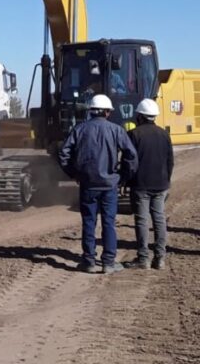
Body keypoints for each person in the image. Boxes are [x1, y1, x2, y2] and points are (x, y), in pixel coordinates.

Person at [58, 94, 138, 274]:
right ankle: (109, 262)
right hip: (109, 185)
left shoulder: (79, 130)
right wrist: (122, 177)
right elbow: (131, 156)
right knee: (109, 223)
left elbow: (63, 154)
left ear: (91, 112)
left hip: (88, 185)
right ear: (107, 112)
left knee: (89, 222)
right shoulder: (116, 130)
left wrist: (74, 173)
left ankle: (88, 262)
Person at [124, 98, 174, 270]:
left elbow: (129, 162)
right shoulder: (164, 134)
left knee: (142, 220)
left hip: (141, 185)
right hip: (160, 184)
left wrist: (126, 181)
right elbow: (170, 161)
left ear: (140, 116)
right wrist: (166, 181)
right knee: (159, 220)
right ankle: (160, 259)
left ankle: (143, 258)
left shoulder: (134, 135)